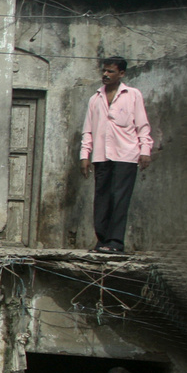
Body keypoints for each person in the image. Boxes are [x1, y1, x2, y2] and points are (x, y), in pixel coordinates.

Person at [80, 57, 154, 254]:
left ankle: (115, 243)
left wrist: (145, 150)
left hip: (126, 154)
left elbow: (142, 124)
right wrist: (84, 155)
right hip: (101, 155)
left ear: (121, 74)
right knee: (101, 198)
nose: (105, 75)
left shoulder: (133, 95)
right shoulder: (95, 98)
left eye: (110, 72)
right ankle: (102, 240)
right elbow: (88, 129)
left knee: (119, 198)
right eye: (104, 71)